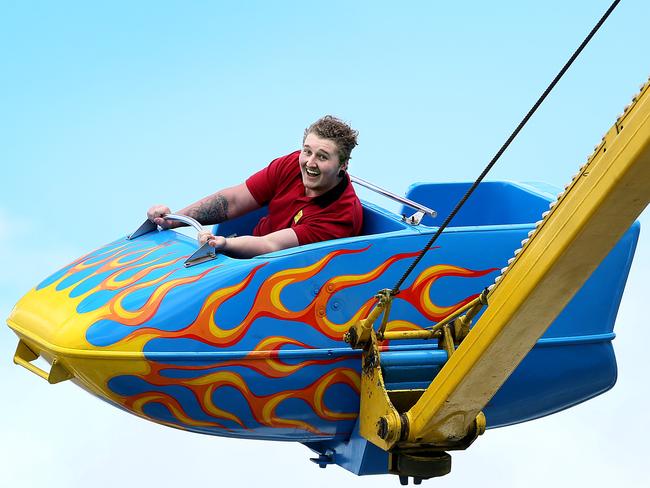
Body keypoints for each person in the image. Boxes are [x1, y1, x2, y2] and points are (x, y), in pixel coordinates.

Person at [147, 115, 363, 258]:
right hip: (243, 254)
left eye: (322, 157)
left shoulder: (340, 216)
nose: (310, 163)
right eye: (307, 151)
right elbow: (233, 201)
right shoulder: (291, 164)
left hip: (278, 274)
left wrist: (223, 244)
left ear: (342, 165)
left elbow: (271, 246)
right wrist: (172, 220)